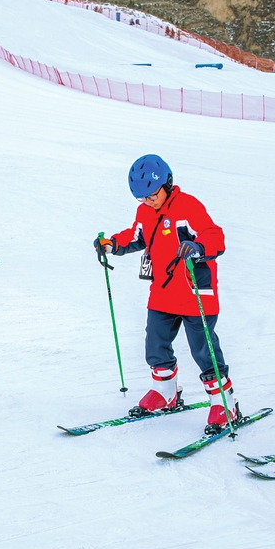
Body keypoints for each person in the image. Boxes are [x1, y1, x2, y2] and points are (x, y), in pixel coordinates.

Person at [94, 154, 236, 435]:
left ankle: (224, 403)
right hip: (162, 291)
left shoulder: (188, 206)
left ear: (167, 184)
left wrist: (198, 247)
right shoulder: (145, 212)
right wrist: (112, 243)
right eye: (142, 198)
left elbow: (215, 236)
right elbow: (136, 237)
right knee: (155, 342)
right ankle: (165, 391)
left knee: (203, 349)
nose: (148, 201)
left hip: (195, 291)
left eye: (152, 195)